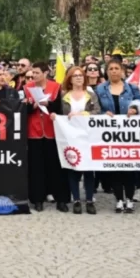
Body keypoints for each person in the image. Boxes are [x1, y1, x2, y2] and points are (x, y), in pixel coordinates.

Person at [94, 60, 140, 213]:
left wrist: (135, 109)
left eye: (116, 68)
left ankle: (129, 199)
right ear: (107, 71)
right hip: (109, 133)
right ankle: (119, 199)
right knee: (114, 167)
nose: (114, 71)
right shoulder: (100, 89)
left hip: (129, 133)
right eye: (111, 69)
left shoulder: (132, 88)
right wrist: (104, 114)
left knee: (129, 168)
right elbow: (96, 108)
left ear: (122, 71)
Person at [24, 62, 67, 212]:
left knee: (55, 166)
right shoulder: (26, 88)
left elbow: (60, 107)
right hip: (34, 131)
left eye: (36, 72)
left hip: (52, 130)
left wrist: (49, 103)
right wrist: (33, 106)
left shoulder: (56, 87)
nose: (33, 75)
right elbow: (23, 108)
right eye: (33, 72)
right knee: (36, 167)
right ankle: (37, 199)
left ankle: (61, 199)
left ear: (45, 73)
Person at [60, 66, 99, 214]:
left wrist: (82, 114)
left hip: (88, 135)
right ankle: (76, 199)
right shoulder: (64, 95)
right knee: (73, 168)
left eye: (81, 75)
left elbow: (97, 111)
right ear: (70, 79)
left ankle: (89, 200)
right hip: (70, 136)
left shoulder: (91, 94)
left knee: (89, 169)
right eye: (75, 75)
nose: (78, 78)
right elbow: (60, 113)